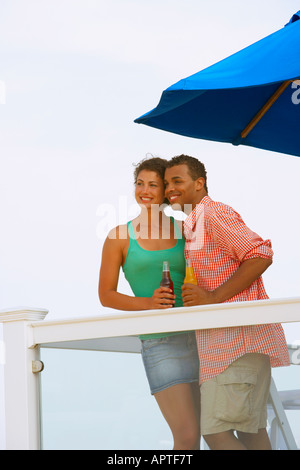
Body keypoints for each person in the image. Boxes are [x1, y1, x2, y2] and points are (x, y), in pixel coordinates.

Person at [164, 154, 290, 450]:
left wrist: (213, 297)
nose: (170, 188)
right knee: (249, 432)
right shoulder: (193, 225)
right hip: (234, 346)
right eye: (167, 182)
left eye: (178, 181)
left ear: (199, 183)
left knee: (216, 432)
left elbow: (260, 254)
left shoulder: (213, 214)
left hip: (235, 345)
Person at [98, 157, 200, 450]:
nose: (144, 190)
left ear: (166, 190)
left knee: (212, 431)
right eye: (139, 183)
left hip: (202, 335)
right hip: (160, 343)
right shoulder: (119, 236)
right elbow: (106, 294)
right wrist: (148, 302)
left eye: (153, 184)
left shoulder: (186, 229)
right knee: (187, 435)